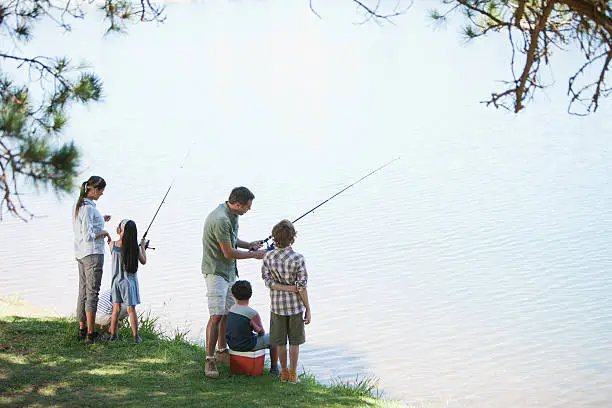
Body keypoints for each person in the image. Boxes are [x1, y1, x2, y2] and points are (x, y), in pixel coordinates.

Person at [201, 186, 266, 379]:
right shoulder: (220, 219)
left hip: (229, 271)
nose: (249, 209)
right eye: (247, 206)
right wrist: (254, 255)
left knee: (228, 312)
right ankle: (209, 359)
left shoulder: (233, 215)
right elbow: (228, 252)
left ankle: (222, 351)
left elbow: (231, 240)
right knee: (216, 315)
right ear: (237, 204)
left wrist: (249, 245)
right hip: (215, 272)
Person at [261, 219, 311, 384]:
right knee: (294, 343)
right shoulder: (298, 258)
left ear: (274, 238)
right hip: (295, 308)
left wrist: (280, 287)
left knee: (280, 342)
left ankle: (283, 373)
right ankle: (293, 375)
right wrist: (308, 309)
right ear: (292, 238)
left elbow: (267, 281)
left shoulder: (267, 257)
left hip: (277, 307)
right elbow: (301, 287)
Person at [73, 175, 111, 344]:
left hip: (81, 254)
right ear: (94, 189)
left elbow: (84, 228)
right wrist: (104, 233)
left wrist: (101, 220)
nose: (102, 194)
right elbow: (89, 236)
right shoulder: (88, 209)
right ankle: (90, 333)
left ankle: (82, 329)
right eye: (101, 190)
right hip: (92, 255)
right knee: (92, 293)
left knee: (83, 291)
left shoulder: (80, 205)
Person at [225, 280, 281, 375]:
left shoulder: (231, 309)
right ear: (250, 295)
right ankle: (274, 368)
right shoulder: (251, 313)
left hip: (232, 344)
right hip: (245, 345)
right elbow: (261, 332)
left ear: (233, 295)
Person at [108, 219, 148, 343]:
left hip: (116, 283)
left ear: (120, 231)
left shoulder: (113, 245)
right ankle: (136, 337)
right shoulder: (134, 248)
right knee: (131, 310)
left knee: (116, 309)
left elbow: (114, 249)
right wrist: (142, 247)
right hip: (129, 284)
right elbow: (143, 261)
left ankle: (113, 336)